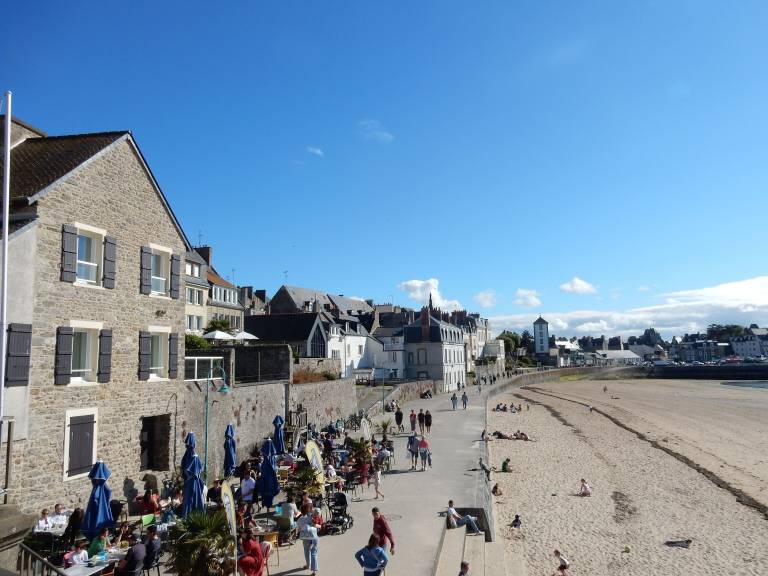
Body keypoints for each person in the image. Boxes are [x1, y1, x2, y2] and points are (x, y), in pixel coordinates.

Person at [297, 504, 319, 575]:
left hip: (305, 538)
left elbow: (299, 529)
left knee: (306, 552)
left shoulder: (300, 519)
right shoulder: (312, 517)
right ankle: (314, 570)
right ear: (309, 510)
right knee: (314, 553)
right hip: (313, 537)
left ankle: (307, 565)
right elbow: (317, 524)